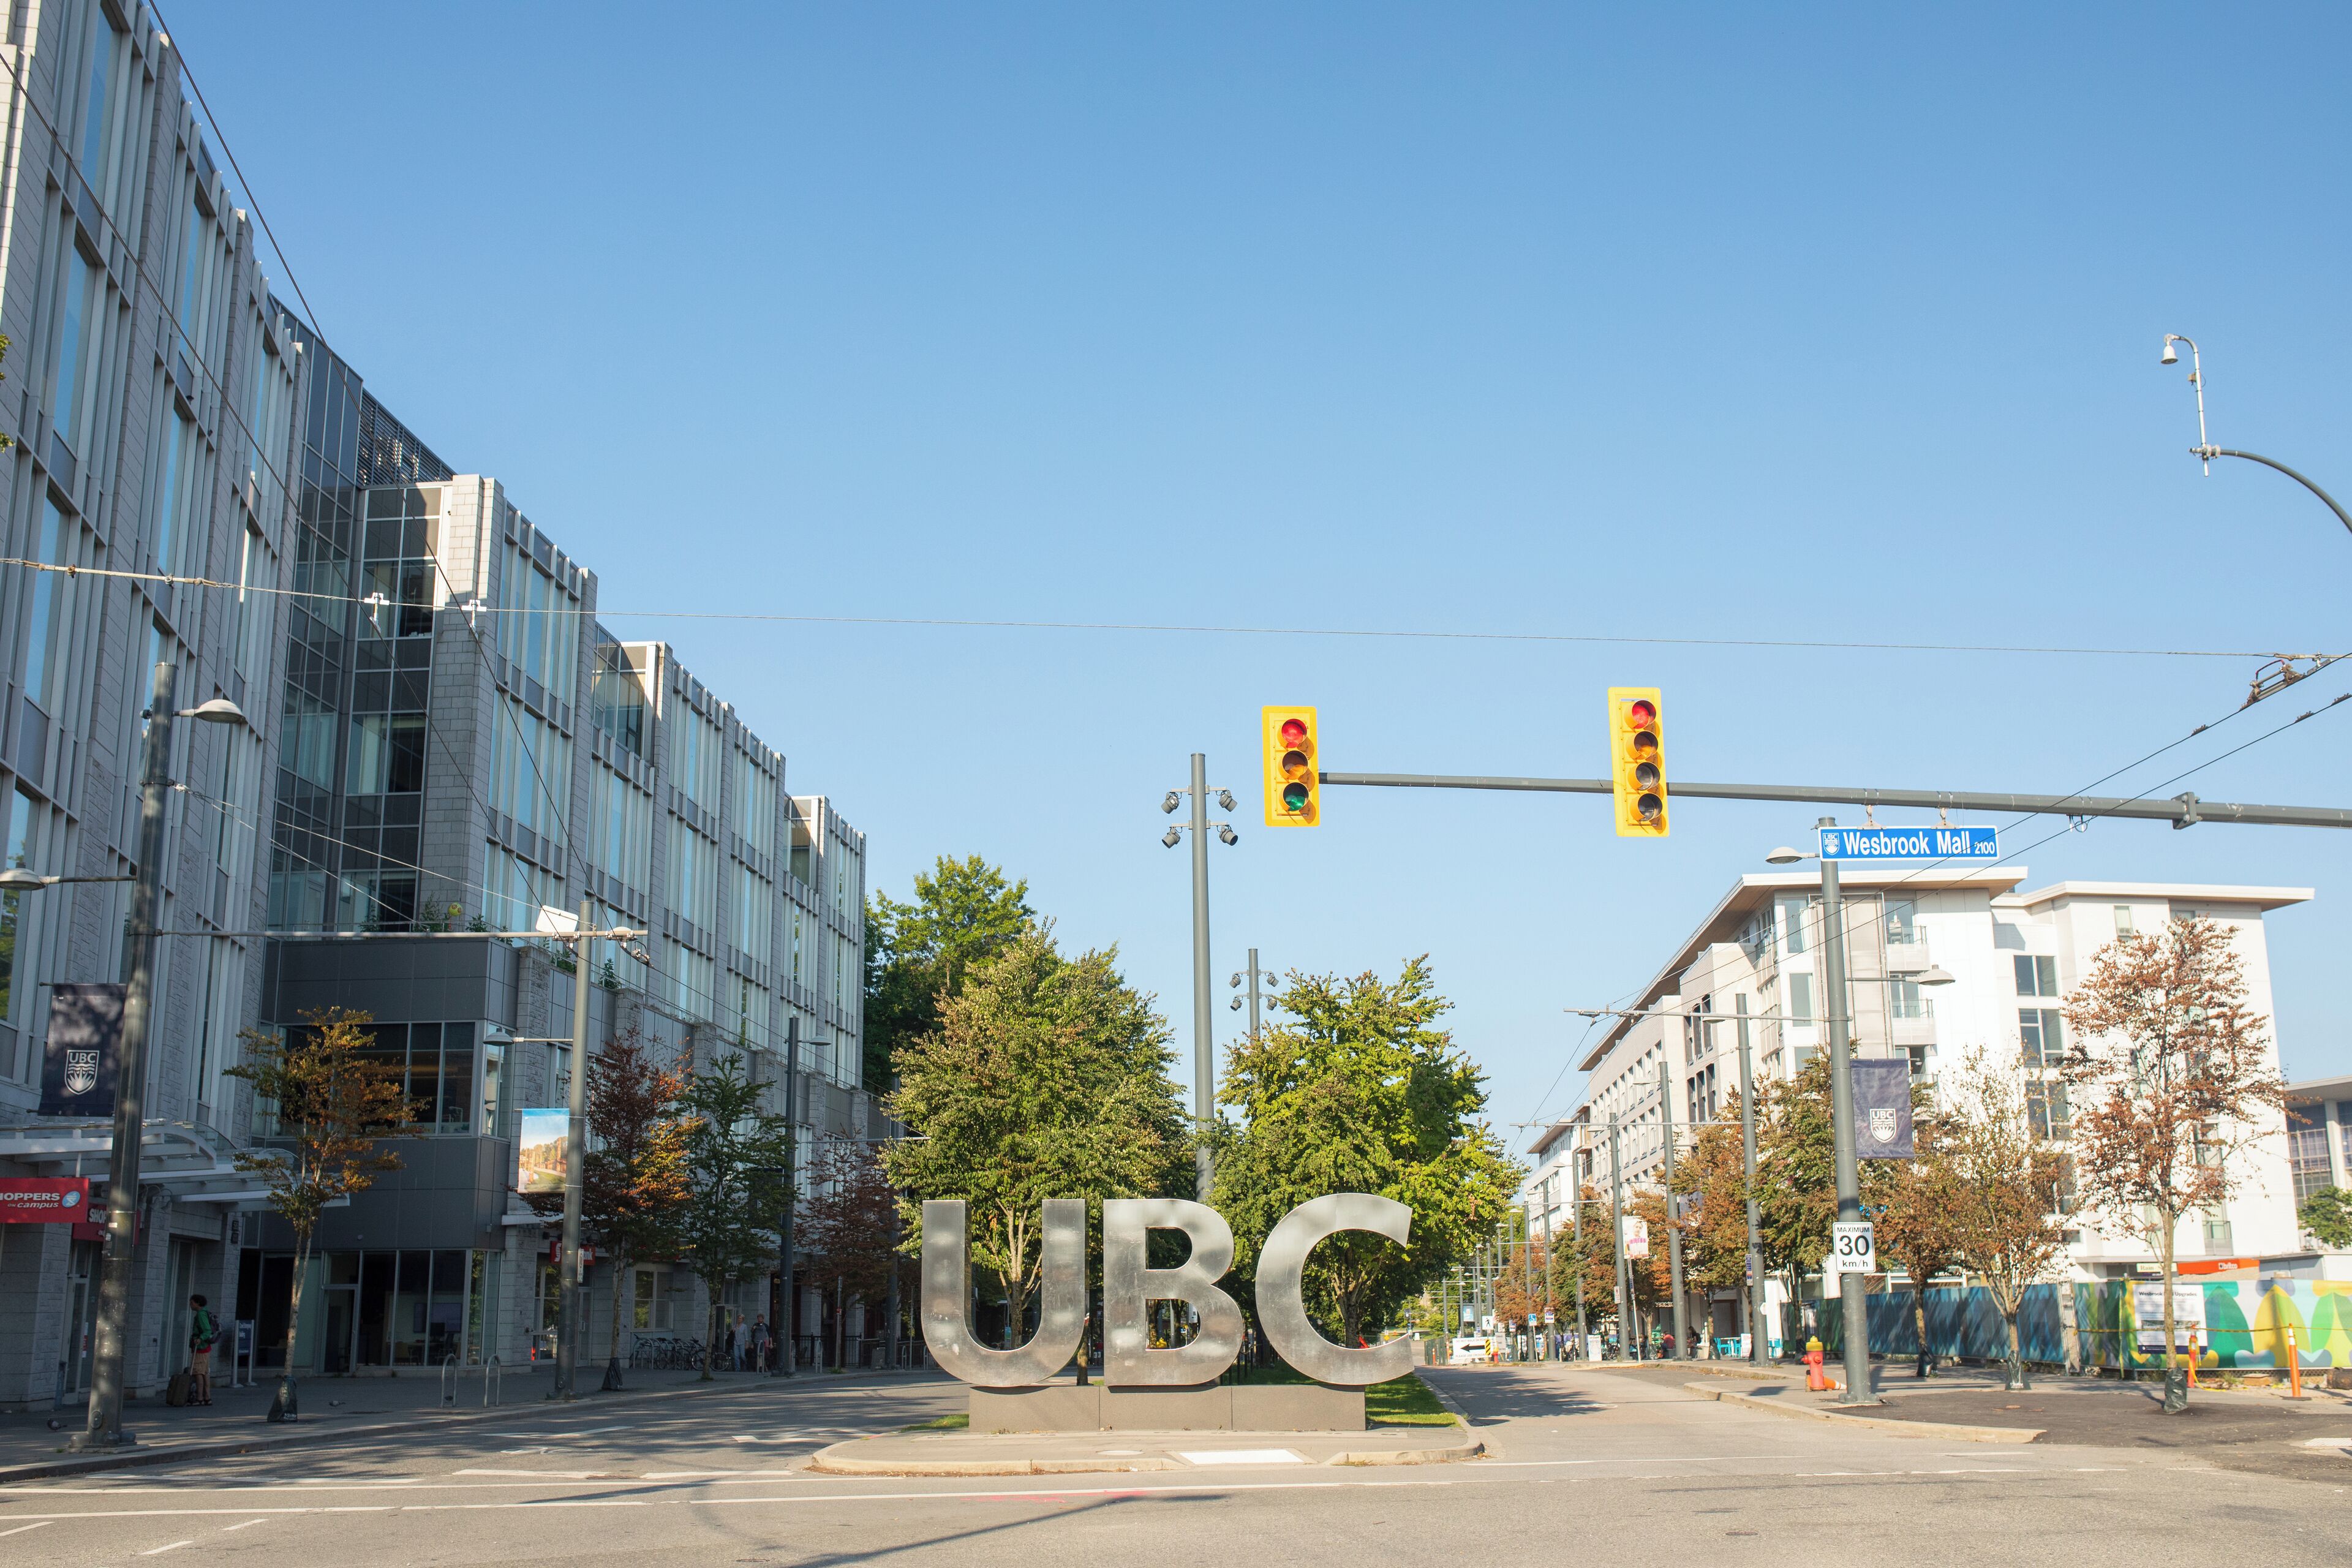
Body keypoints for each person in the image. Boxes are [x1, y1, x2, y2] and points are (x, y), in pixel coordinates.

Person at [187, 1294, 217, 1406]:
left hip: (201, 1347)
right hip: (205, 1347)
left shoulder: (201, 1315)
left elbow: (207, 1330)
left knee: (198, 1372)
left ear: (198, 1303)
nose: (191, 1305)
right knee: (205, 1372)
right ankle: (207, 1397)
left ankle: (200, 1397)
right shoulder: (205, 1312)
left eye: (192, 1303)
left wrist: (200, 1339)